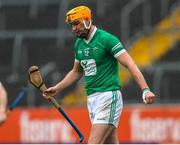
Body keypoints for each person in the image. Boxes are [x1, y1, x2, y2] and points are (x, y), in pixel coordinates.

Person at [44, 6, 156, 144]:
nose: (73, 28)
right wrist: (57, 88)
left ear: (87, 20)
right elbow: (76, 72)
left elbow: (130, 64)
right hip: (92, 99)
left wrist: (145, 89)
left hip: (108, 97)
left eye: (76, 23)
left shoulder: (107, 39)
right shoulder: (79, 44)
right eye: (71, 25)